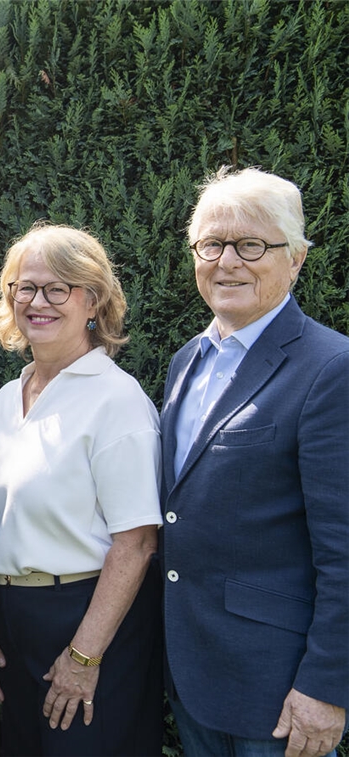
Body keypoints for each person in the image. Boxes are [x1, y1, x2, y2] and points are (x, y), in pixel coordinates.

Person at [161, 167, 349, 757]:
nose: (228, 262)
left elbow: (345, 547)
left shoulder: (331, 368)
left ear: (294, 259)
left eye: (252, 246)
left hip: (279, 686)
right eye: (212, 244)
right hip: (191, 668)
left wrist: (326, 686)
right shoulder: (186, 361)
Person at [0, 223, 164, 756]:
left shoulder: (116, 401)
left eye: (58, 289)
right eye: (25, 287)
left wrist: (83, 657)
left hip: (88, 621)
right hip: (16, 625)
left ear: (93, 301)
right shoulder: (4, 403)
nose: (38, 302)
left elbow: (138, 544)